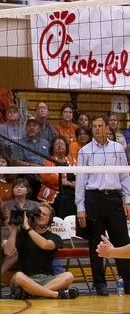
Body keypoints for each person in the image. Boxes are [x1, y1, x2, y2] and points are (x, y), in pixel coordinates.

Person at [75, 115, 130, 296]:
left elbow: (125, 176)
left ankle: (127, 282)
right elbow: (80, 181)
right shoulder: (84, 151)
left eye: (100, 125)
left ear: (108, 128)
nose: (97, 129)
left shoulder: (118, 148)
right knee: (96, 244)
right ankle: (100, 284)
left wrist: (127, 200)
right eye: (94, 126)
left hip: (114, 199)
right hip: (94, 199)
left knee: (122, 241)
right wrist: (80, 208)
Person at [5, 203, 79, 299]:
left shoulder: (55, 237)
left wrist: (28, 227)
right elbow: (8, 253)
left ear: (50, 219)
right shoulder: (22, 234)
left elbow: (44, 245)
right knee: (18, 276)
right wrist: (14, 230)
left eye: (45, 214)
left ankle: (32, 293)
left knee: (68, 276)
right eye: (38, 213)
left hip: (47, 279)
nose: (41, 215)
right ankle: (56, 294)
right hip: (26, 279)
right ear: (33, 216)